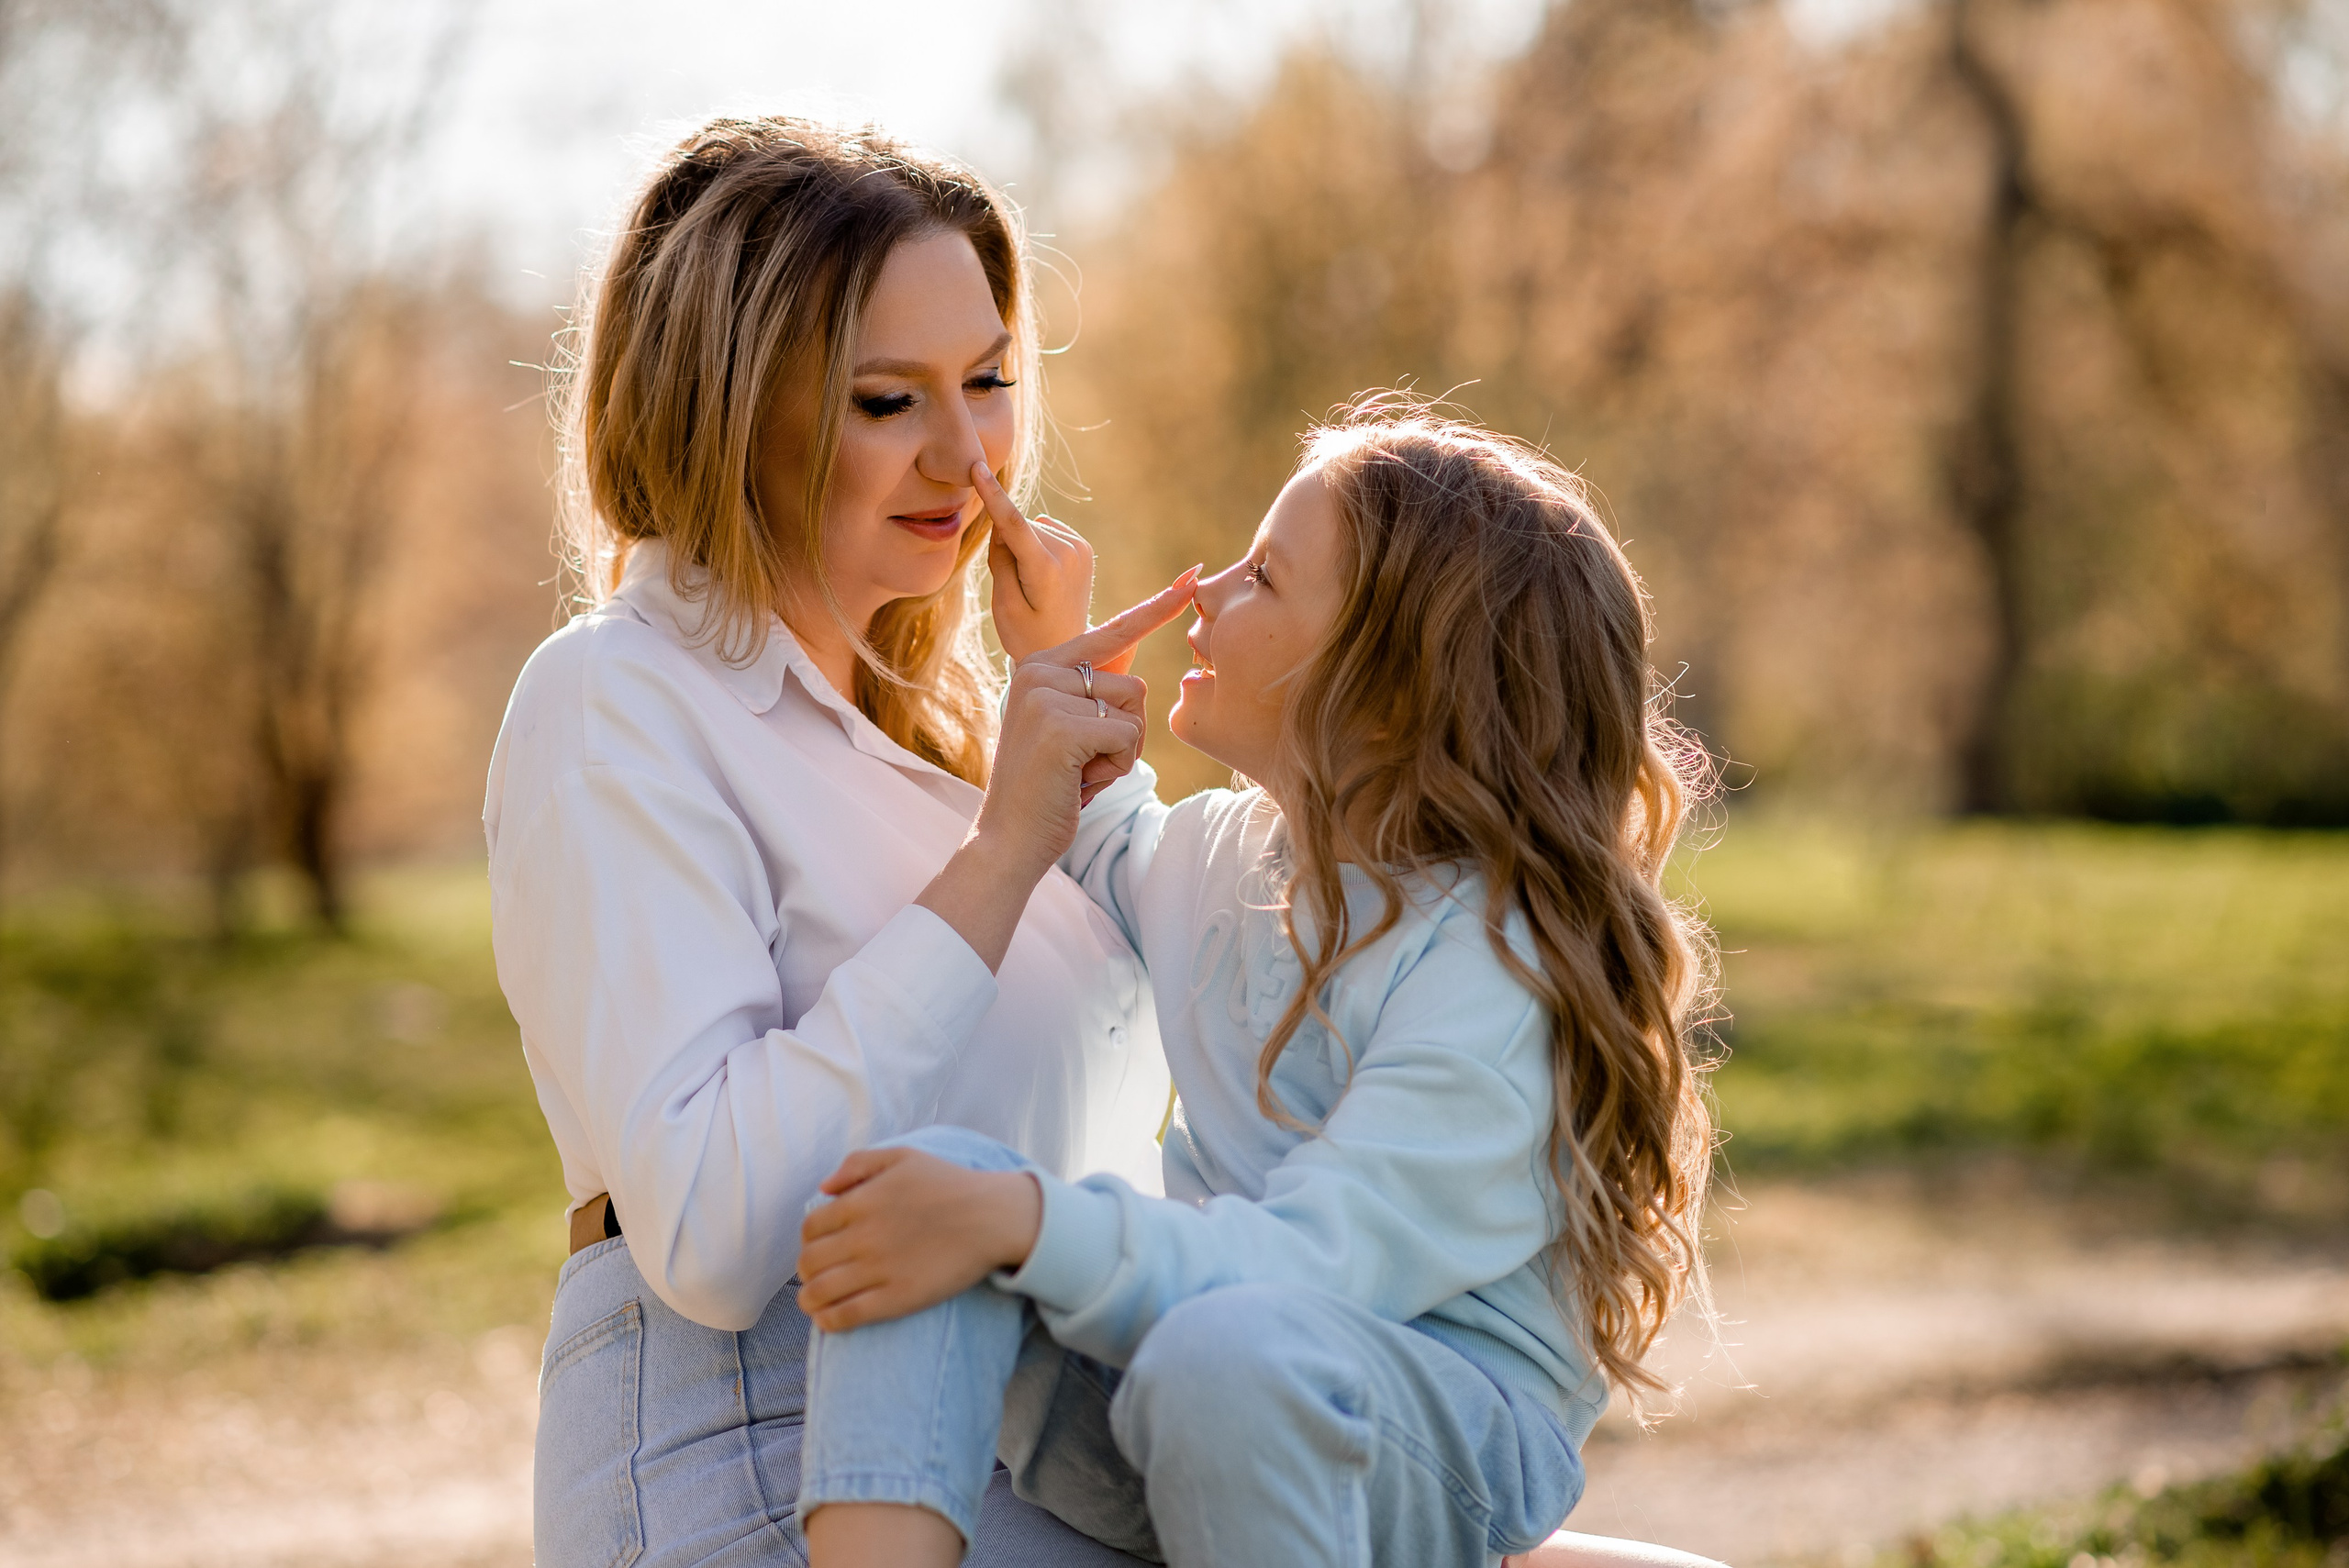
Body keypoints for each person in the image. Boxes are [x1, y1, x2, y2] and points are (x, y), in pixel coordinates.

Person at [785, 399, 1724, 1568]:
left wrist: (1030, 1222)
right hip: (1193, 1386)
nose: (1206, 590)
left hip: (1437, 1442)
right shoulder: (1232, 859)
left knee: (1203, 1340)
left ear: (1386, 693)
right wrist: (1045, 651)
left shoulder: (1493, 969)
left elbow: (1315, 1267)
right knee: (932, 1192)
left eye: (1264, 577)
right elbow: (1107, 831)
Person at [484, 117, 1191, 1567]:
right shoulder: (618, 696)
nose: (965, 451)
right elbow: (720, 1229)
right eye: (886, 400)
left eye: (990, 381)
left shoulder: (934, 741)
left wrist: (1087, 777)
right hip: (765, 1468)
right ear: (728, 411)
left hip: (1034, 1449)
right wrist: (1000, 855)